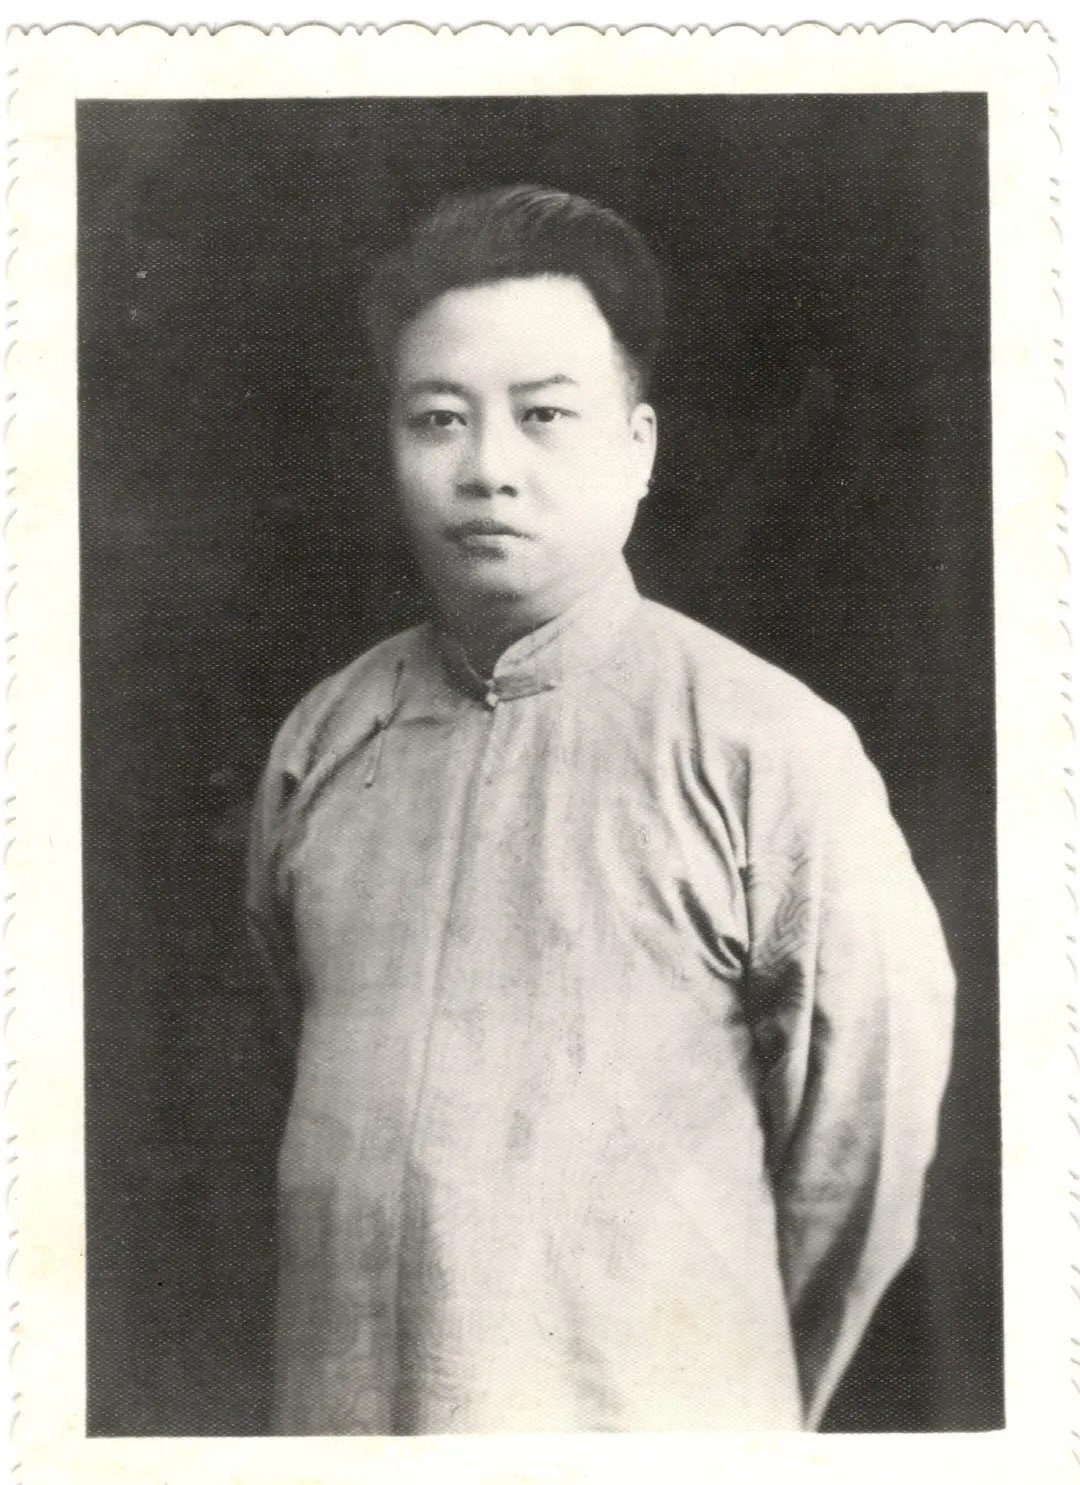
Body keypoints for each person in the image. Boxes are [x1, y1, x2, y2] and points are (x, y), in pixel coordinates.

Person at [246, 183, 956, 1435]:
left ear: (638, 447)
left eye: (544, 416)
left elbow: (863, 1151)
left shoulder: (766, 746)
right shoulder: (323, 739)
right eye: (439, 419)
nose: (488, 469)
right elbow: (286, 1052)